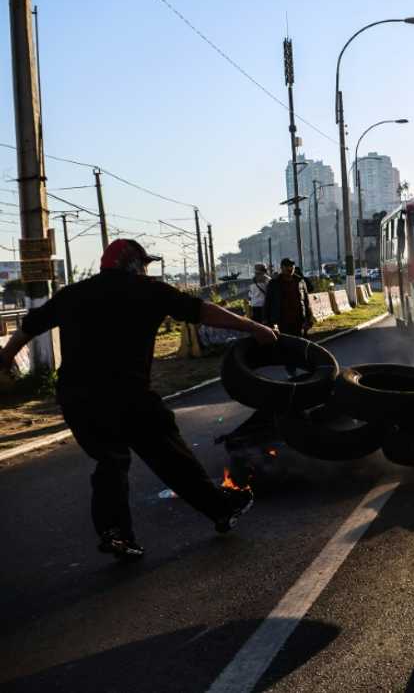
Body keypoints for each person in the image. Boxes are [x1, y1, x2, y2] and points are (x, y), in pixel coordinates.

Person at [0, 239, 279, 561]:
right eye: (144, 264)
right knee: (169, 453)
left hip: (77, 397)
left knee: (110, 459)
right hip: (127, 394)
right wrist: (253, 326)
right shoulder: (147, 290)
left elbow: (29, 327)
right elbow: (202, 312)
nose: (146, 269)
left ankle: (115, 531)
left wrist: (7, 356)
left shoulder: (74, 293)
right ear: (133, 264)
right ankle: (219, 509)